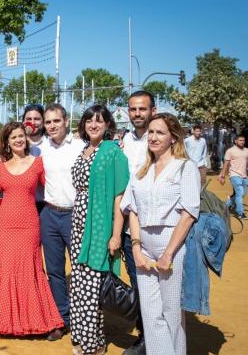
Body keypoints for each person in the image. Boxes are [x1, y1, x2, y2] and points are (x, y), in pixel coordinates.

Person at [121, 113, 200, 355]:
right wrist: (135, 248)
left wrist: (168, 254)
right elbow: (132, 209)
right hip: (143, 245)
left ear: (173, 137)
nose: (153, 137)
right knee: (151, 313)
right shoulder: (142, 170)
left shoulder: (185, 168)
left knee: (172, 312)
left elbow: (189, 213)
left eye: (160, 133)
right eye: (151, 132)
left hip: (171, 245)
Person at [0, 122, 64, 336]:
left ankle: (33, 320)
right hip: (5, 224)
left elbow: (50, 190)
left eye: (21, 135)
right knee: (4, 267)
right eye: (13, 137)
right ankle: (2, 319)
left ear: (27, 137)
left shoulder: (38, 163)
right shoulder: (1, 166)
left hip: (29, 223)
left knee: (29, 268)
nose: (18, 140)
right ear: (7, 141)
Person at [69, 105, 129, 355]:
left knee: (94, 285)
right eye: (89, 121)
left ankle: (95, 343)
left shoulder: (112, 152)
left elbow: (119, 197)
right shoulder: (84, 150)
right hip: (79, 224)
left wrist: (116, 235)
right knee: (79, 281)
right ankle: (82, 334)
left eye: (99, 121)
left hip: (100, 225)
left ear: (107, 126)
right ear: (83, 125)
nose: (93, 125)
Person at [38, 104, 85, 340]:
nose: (52, 125)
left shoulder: (80, 146)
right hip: (49, 215)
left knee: (80, 270)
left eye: (56, 121)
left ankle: (80, 322)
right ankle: (61, 319)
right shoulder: (41, 148)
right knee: (55, 271)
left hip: (75, 215)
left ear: (66, 121)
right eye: (48, 122)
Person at [120, 90, 157, 354]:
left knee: (156, 284)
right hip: (126, 226)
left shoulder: (162, 139)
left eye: (142, 109)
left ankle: (158, 337)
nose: (137, 114)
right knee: (137, 281)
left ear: (152, 110)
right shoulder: (126, 140)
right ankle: (146, 336)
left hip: (154, 227)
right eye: (133, 109)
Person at [23, 104, 46, 214]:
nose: (32, 122)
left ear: (43, 121)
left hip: (45, 205)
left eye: (37, 119)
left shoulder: (51, 144)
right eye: (28, 119)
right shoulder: (16, 145)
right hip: (23, 204)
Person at [219, 134, 248, 220]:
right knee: (240, 192)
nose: (242, 142)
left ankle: (226, 205)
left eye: (243, 140)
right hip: (234, 175)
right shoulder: (230, 151)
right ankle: (240, 213)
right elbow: (226, 164)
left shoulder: (247, 150)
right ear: (235, 141)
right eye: (240, 140)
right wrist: (223, 175)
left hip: (244, 175)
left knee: (243, 193)